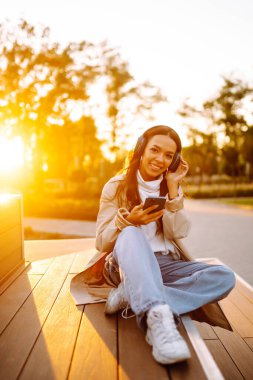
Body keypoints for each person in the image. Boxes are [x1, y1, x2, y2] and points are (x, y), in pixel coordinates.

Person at [94, 125, 235, 365]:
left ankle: (135, 295)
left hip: (166, 263)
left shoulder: (170, 187)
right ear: (141, 149)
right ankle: (156, 316)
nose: (160, 159)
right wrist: (127, 222)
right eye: (155, 150)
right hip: (125, 264)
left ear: (174, 160)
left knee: (224, 277)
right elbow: (101, 242)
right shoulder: (115, 186)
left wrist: (172, 191)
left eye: (168, 155)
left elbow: (179, 231)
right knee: (130, 234)